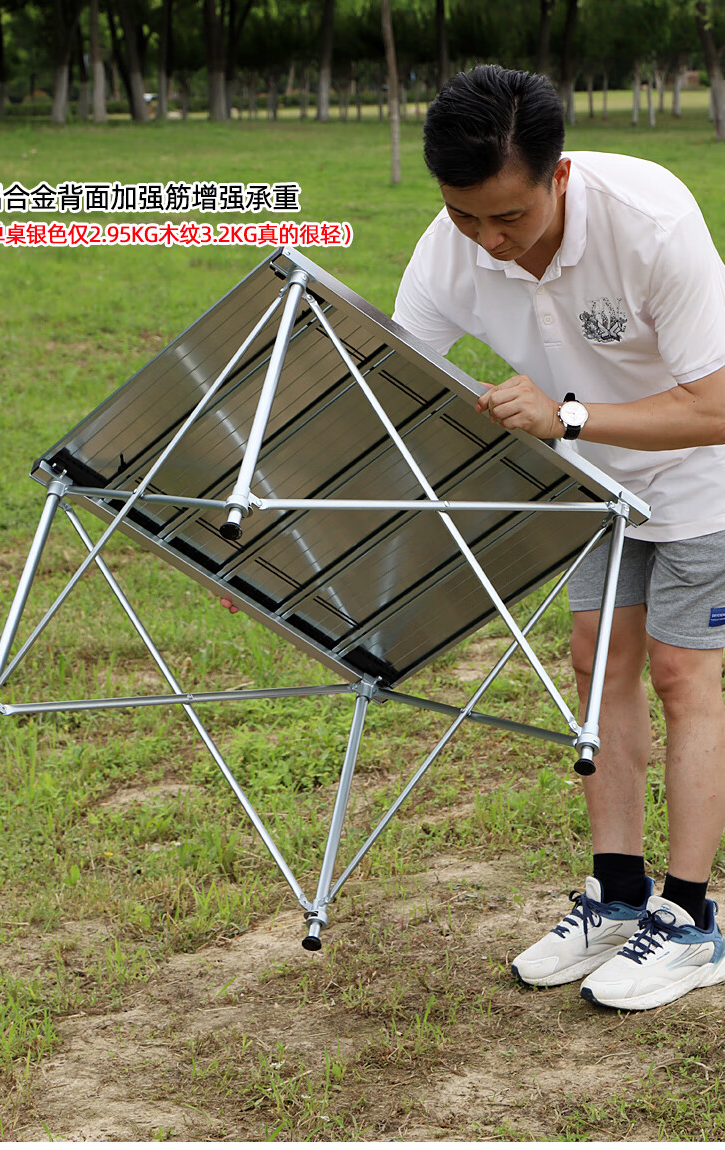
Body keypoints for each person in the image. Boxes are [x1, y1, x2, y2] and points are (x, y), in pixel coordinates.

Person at [392, 63, 725, 1011]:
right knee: (595, 659)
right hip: (593, 482)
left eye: (509, 217)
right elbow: (392, 391)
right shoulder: (450, 247)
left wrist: (568, 418)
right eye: (465, 216)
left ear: (560, 175)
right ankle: (618, 898)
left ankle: (692, 920)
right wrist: (274, 531)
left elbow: (718, 405)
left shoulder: (651, 219)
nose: (489, 240)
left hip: (701, 470)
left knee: (682, 674)